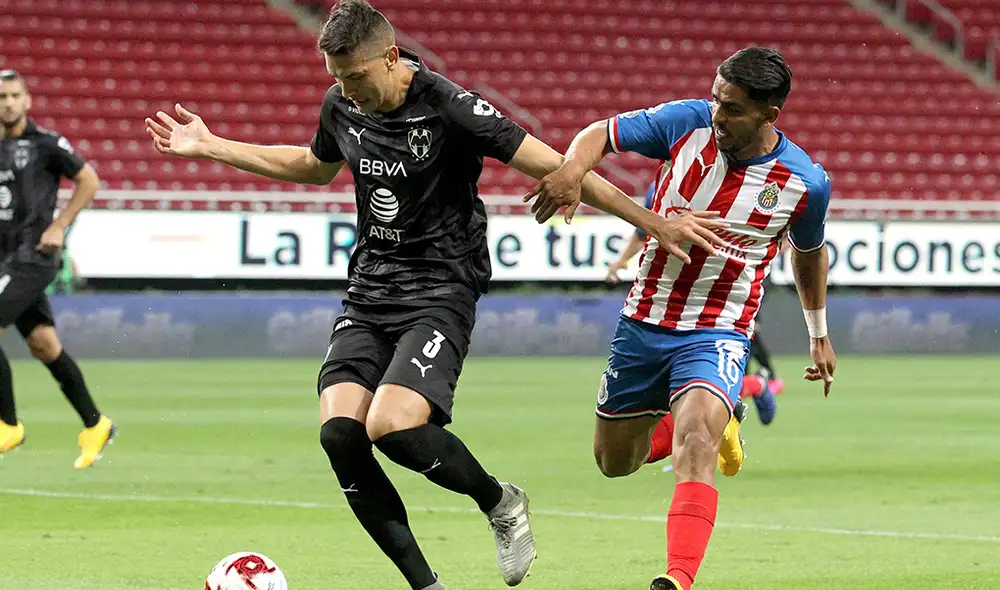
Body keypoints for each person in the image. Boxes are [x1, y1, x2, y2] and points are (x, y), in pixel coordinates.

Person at [144, 2, 725, 588]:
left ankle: (499, 501)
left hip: (443, 286)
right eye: (335, 79)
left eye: (355, 77)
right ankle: (428, 586)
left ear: (391, 58)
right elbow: (314, 166)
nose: (345, 90)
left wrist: (652, 222)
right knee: (340, 433)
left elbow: (557, 166)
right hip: (371, 285)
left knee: (393, 426)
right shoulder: (341, 102)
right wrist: (212, 145)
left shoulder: (450, 106)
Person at [525, 47, 837, 590]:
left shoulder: (805, 182)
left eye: (733, 108)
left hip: (720, 326)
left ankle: (678, 578)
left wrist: (818, 334)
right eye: (716, 98)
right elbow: (601, 132)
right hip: (644, 320)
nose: (717, 114)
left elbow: (808, 254)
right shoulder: (685, 123)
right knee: (614, 462)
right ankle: (728, 412)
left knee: (698, 444)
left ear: (770, 114)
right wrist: (574, 170)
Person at [0, 69, 115, 467]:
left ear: (27, 100)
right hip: (4, 261)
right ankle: (95, 424)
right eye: (2, 97)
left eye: (15, 95)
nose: (9, 102)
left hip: (33, 257)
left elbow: (88, 180)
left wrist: (60, 225)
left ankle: (7, 423)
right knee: (44, 345)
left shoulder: (46, 144)